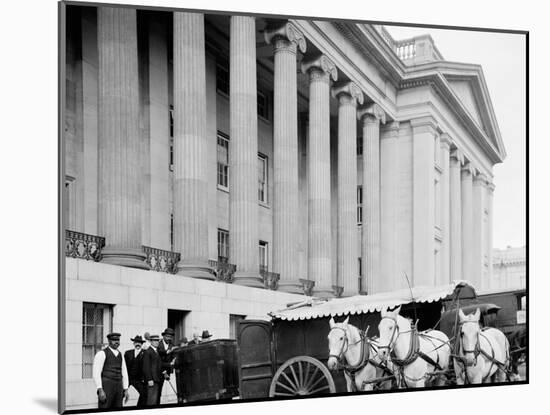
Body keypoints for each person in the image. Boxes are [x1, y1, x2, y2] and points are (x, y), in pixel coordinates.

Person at [92, 332, 130, 409]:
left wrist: (126, 389)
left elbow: (124, 372)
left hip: (119, 386)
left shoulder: (120, 355)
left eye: (118, 340)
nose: (116, 342)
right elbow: (96, 373)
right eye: (114, 340)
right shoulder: (102, 353)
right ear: (109, 341)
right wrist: (100, 389)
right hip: (107, 386)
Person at [124, 335, 146, 407]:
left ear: (142, 344)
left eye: (139, 342)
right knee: (120, 394)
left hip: (138, 379)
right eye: (136, 342)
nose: (138, 344)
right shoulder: (128, 353)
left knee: (144, 394)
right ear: (133, 343)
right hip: (128, 378)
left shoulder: (145, 353)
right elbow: (124, 366)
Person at [142, 334, 163, 406]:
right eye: (155, 341)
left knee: (154, 400)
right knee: (151, 401)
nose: (157, 342)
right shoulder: (148, 352)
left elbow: (159, 365)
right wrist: (149, 379)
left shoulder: (156, 351)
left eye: (158, 341)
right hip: (152, 380)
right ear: (151, 341)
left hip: (157, 379)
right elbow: (146, 367)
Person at [158, 328, 175, 400]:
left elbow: (172, 358)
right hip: (157, 371)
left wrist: (169, 372)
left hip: (166, 372)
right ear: (163, 336)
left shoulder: (172, 345)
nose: (169, 338)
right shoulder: (158, 344)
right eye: (167, 336)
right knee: (156, 392)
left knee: (159, 392)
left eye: (170, 337)